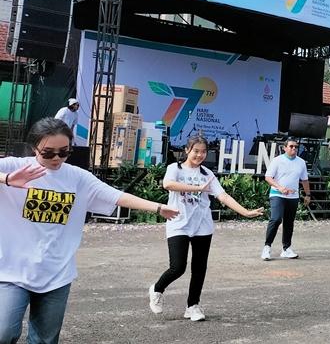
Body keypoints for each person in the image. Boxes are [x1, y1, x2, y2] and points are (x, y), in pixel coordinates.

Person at [0, 118, 180, 344]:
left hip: (56, 272)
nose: (56, 158)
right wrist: (6, 180)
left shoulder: (76, 177)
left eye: (64, 152)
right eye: (48, 153)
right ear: (34, 148)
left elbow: (114, 195)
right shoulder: (15, 166)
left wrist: (158, 207)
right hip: (11, 271)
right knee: (3, 332)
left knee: (45, 340)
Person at [149, 135, 263, 321]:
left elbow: (223, 196)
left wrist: (245, 212)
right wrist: (197, 189)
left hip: (202, 225)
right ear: (187, 150)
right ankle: (157, 289)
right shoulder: (175, 169)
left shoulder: (207, 175)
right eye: (196, 151)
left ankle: (192, 306)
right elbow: (167, 184)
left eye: (203, 152)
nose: (199, 155)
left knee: (199, 268)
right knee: (178, 267)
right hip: (178, 223)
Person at [260, 138, 311, 260]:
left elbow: (304, 180)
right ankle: (267, 247)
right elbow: (268, 177)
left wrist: (308, 195)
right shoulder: (277, 160)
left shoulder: (301, 162)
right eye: (291, 146)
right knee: (276, 219)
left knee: (289, 222)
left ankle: (286, 249)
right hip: (277, 194)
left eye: (296, 147)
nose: (294, 148)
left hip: (293, 196)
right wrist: (280, 187)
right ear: (284, 148)